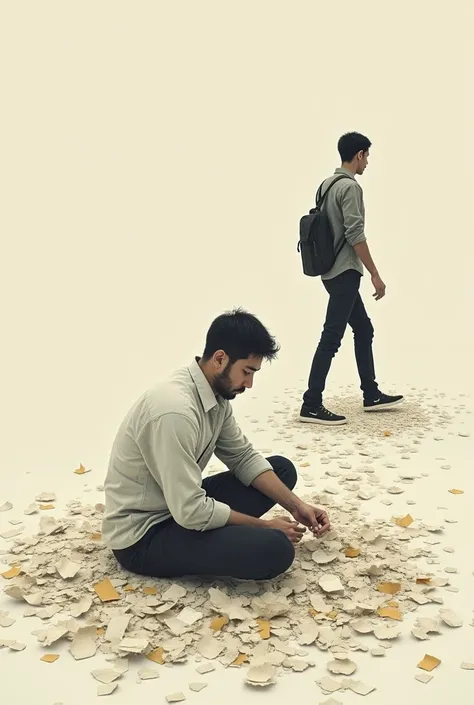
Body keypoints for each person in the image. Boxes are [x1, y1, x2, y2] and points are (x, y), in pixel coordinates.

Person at [102, 308, 330, 581]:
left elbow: (242, 457)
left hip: (177, 508)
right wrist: (265, 527)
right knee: (275, 549)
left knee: (281, 470)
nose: (250, 383)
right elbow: (191, 511)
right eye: (247, 371)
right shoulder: (175, 411)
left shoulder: (215, 395)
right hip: (143, 536)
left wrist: (296, 506)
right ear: (220, 358)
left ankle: (240, 532)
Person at [300, 132, 403, 426]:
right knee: (331, 336)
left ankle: (371, 394)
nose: (368, 162)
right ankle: (311, 403)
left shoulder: (325, 185)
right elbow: (354, 234)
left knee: (363, 328)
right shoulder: (350, 188)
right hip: (345, 270)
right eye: (367, 156)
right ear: (358, 154)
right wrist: (375, 274)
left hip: (328, 271)